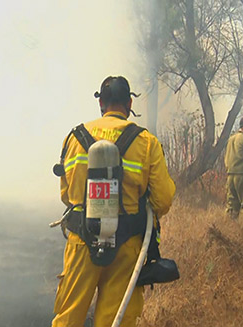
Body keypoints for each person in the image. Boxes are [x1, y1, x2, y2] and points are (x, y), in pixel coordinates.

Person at [52, 76, 175, 327]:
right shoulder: (146, 142)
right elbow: (163, 199)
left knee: (68, 319)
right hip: (127, 246)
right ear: (129, 103)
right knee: (115, 322)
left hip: (81, 242)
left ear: (101, 103)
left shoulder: (74, 138)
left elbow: (65, 195)